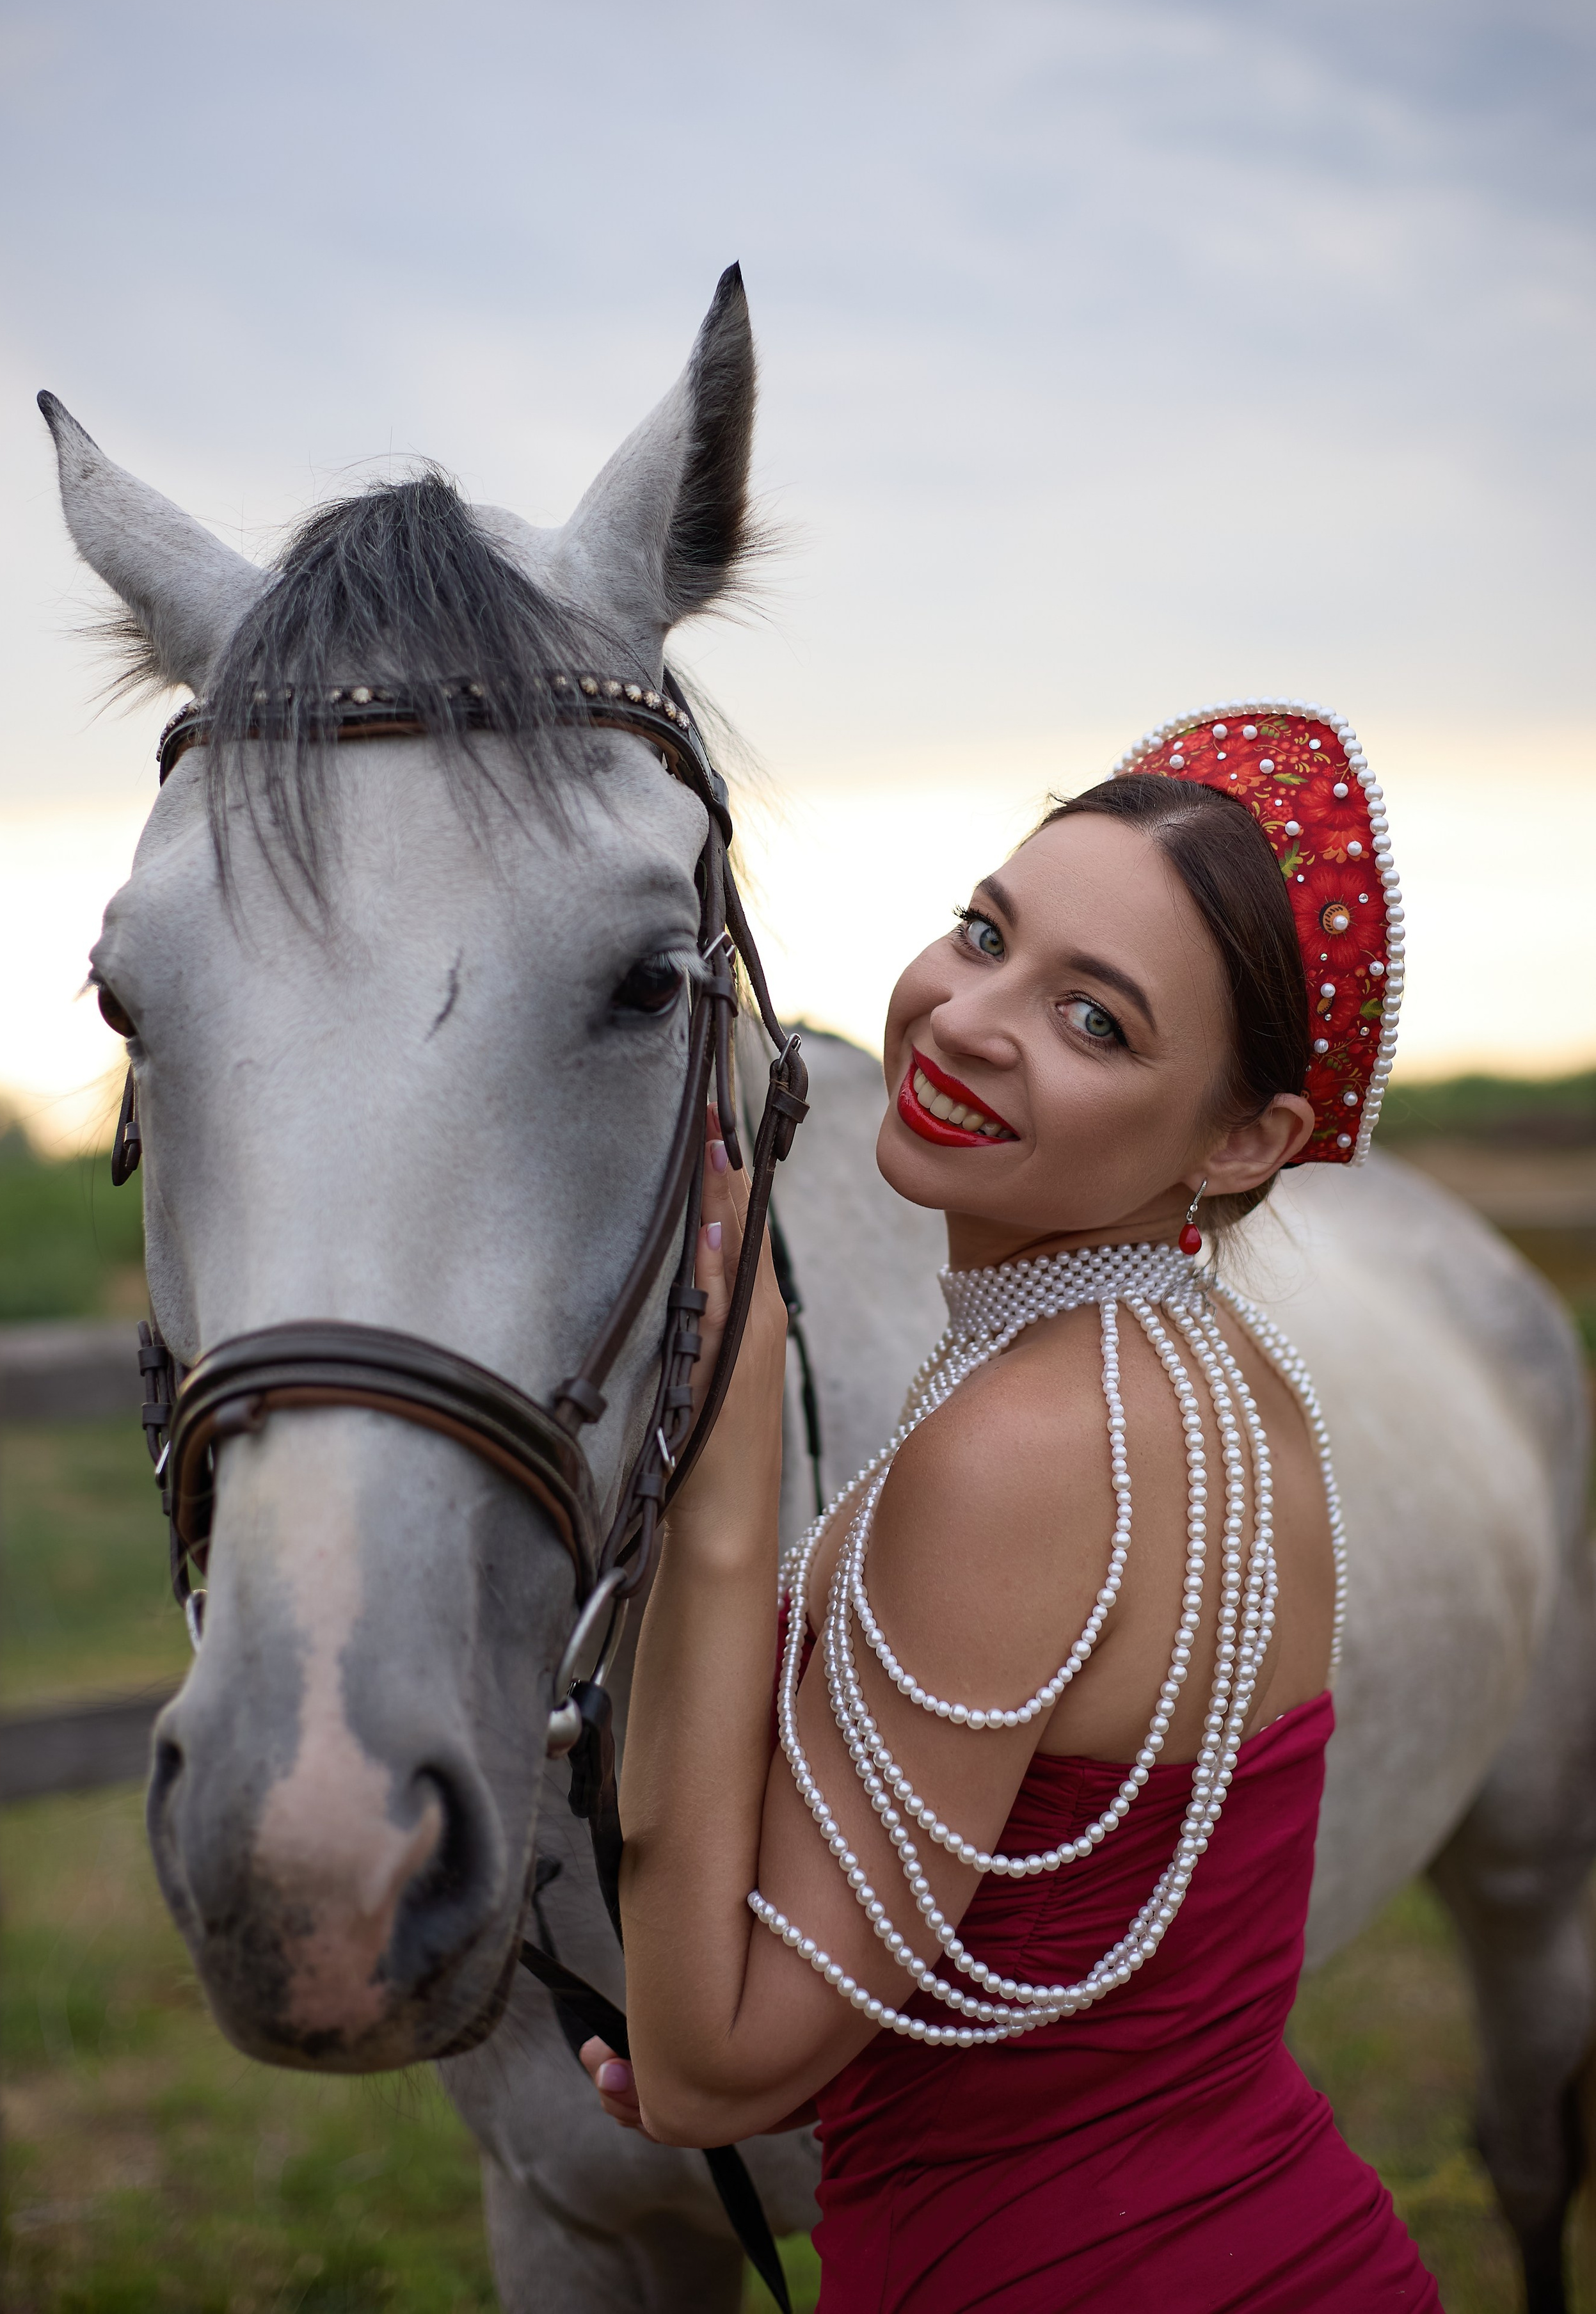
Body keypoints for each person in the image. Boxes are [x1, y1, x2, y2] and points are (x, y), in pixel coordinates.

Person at [580, 705, 1439, 2311]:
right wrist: (830, 2045)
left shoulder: (1022, 1446)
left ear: (1248, 1138)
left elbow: (704, 2080)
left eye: (1094, 1022)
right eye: (984, 931)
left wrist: (724, 1473)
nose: (967, 1017)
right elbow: (1049, 1937)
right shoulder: (1220, 1382)